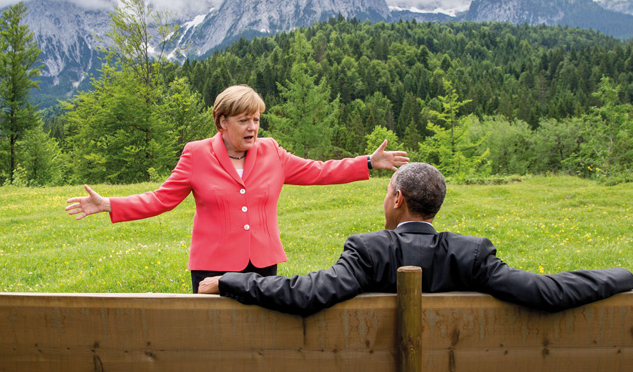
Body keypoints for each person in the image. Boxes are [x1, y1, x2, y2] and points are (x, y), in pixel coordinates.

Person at [65, 84, 409, 293]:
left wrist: (366, 162)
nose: (253, 127)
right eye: (244, 120)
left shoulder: (272, 151)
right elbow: (161, 199)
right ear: (222, 122)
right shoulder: (196, 154)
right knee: (213, 340)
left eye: (256, 119)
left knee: (259, 337)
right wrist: (110, 204)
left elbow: (317, 171)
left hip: (262, 263)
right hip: (212, 265)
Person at [198, 162, 633, 317]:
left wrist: (231, 281)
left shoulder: (367, 250)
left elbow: (307, 294)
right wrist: (621, 276)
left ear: (396, 199)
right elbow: (546, 292)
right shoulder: (471, 253)